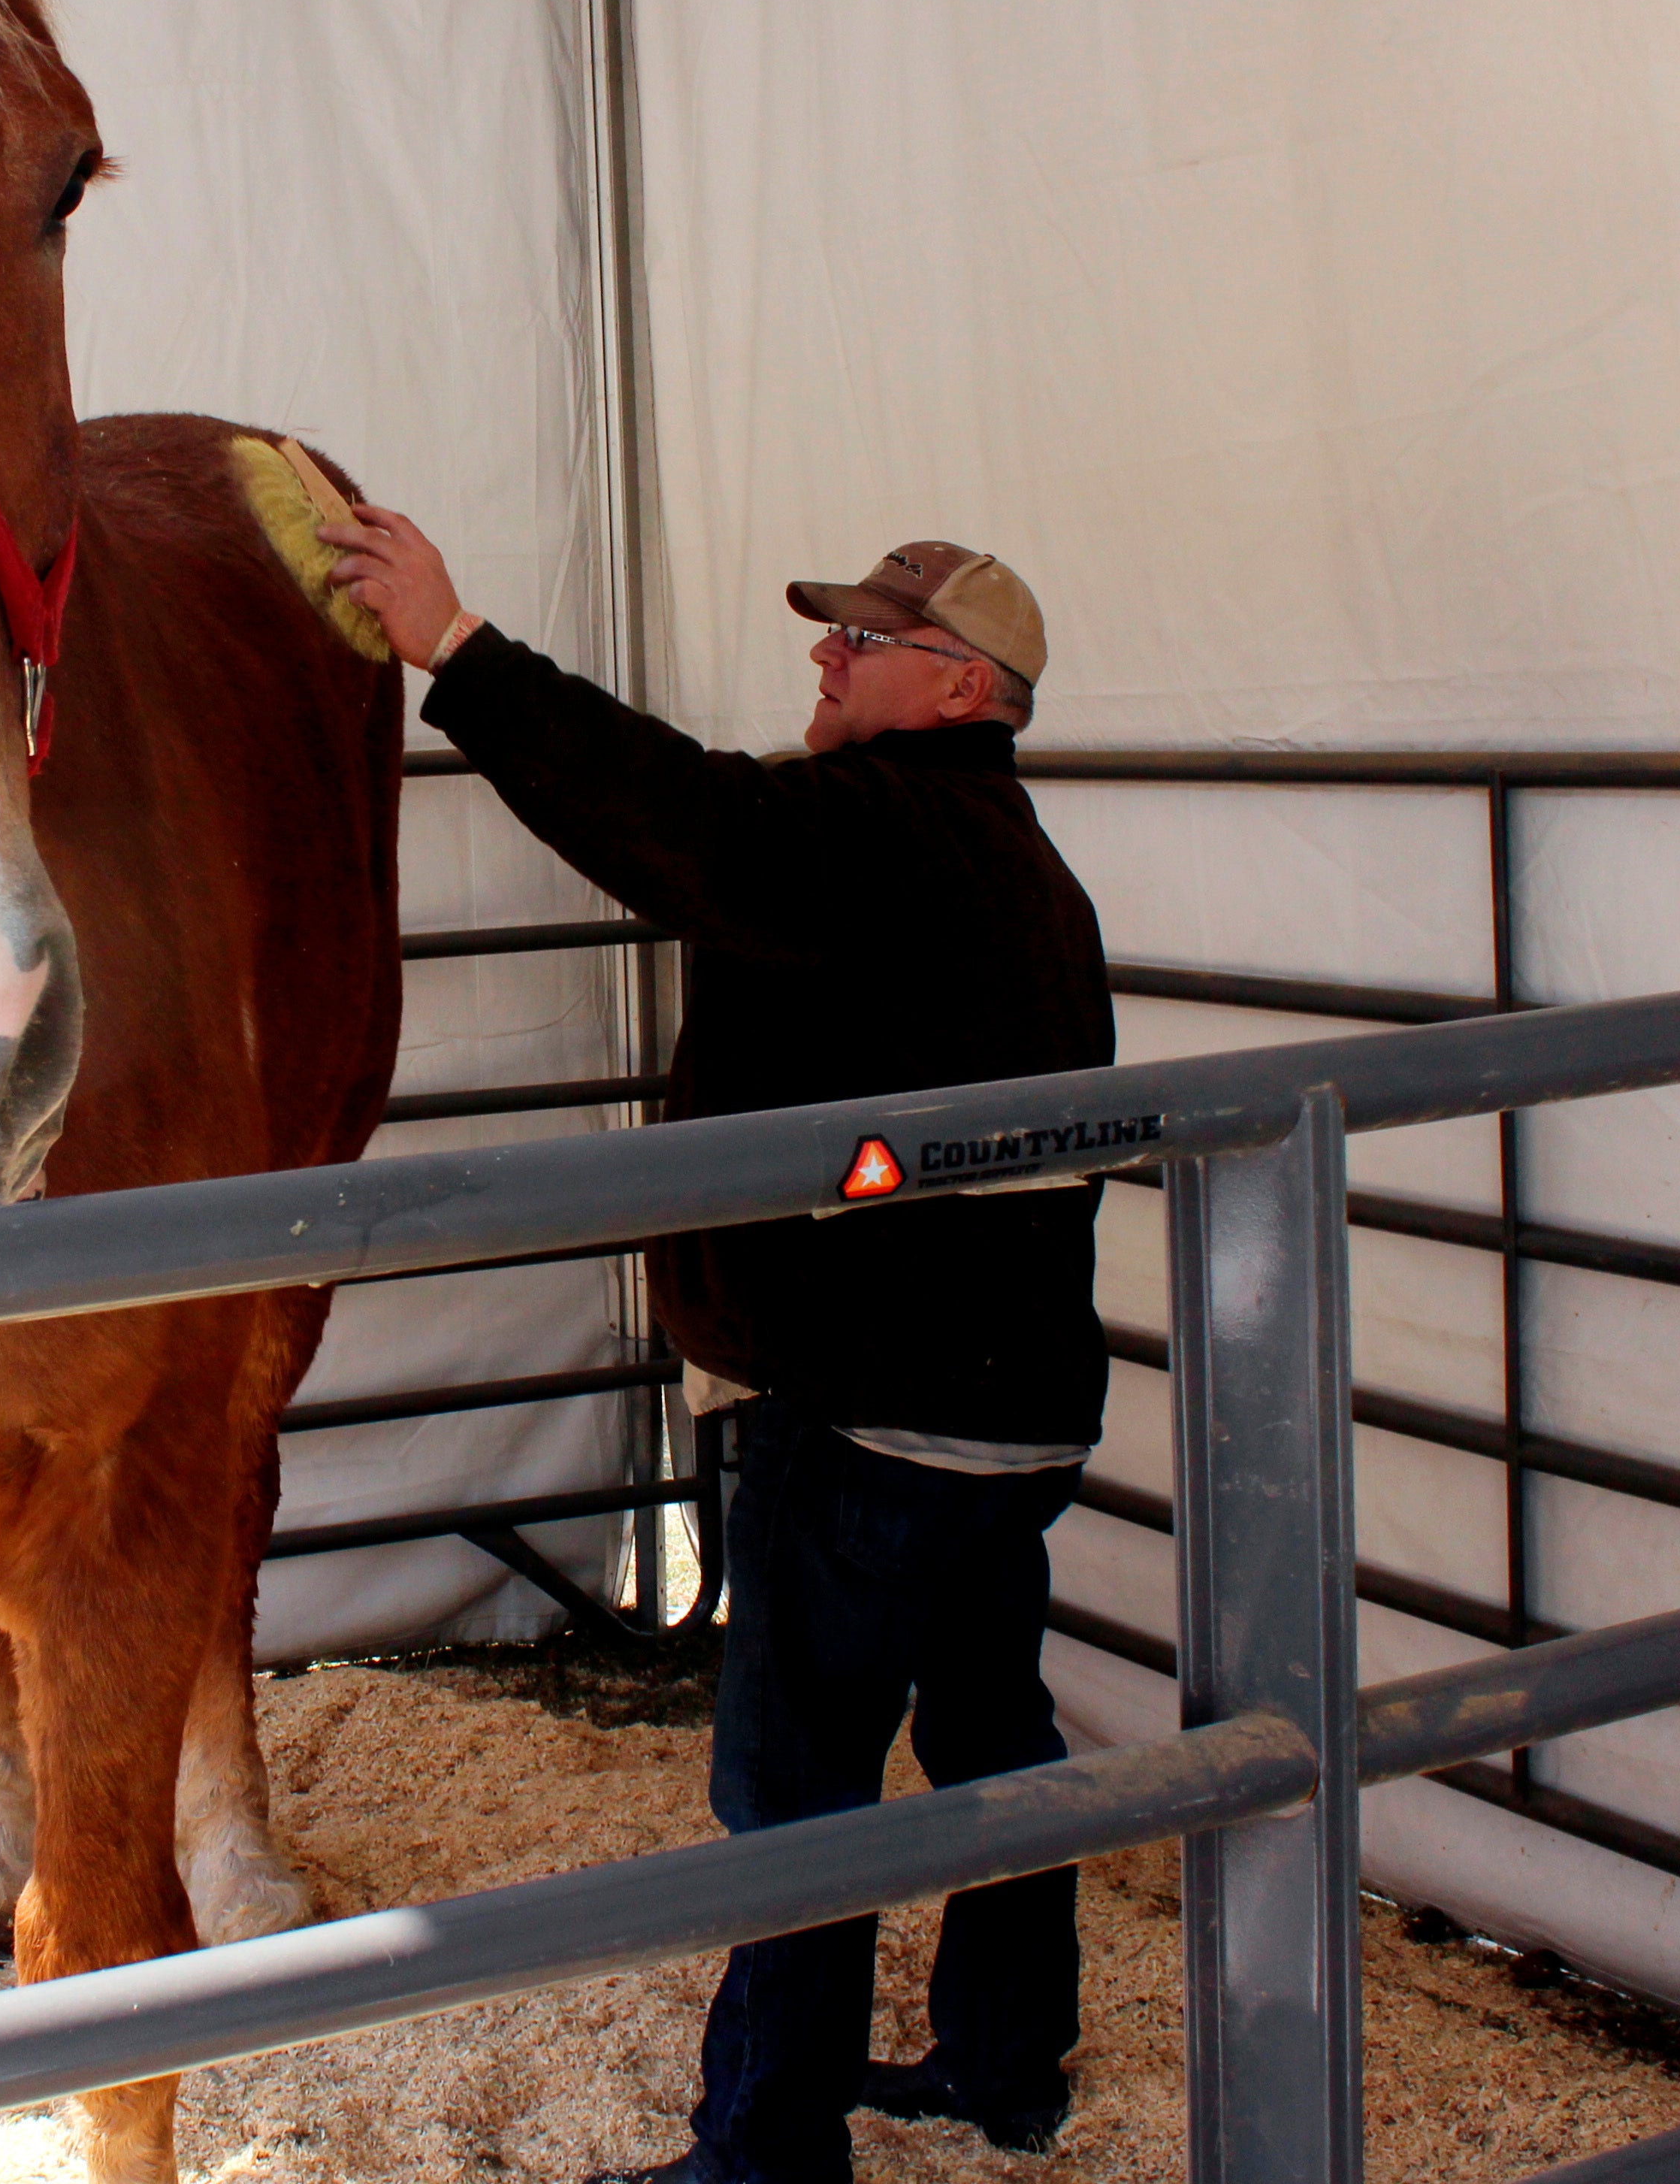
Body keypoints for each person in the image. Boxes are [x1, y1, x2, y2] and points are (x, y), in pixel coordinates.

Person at [319, 510, 1113, 2184]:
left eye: (862, 643)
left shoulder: (884, 833)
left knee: (794, 1789)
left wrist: (461, 656)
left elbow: (684, 822)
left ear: (962, 686)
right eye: (830, 632)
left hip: (876, 1411)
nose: (823, 656)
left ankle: (765, 2152)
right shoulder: (1018, 861)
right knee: (992, 1737)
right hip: (1012, 1403)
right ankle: (1005, 2064)